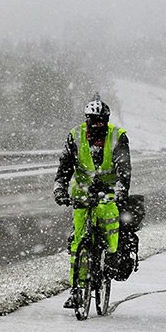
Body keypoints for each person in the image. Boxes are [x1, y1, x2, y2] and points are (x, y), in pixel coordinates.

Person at [54, 94, 132, 309]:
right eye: (91, 120)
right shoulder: (75, 135)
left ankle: (110, 260)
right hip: (82, 193)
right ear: (86, 119)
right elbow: (65, 167)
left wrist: (121, 190)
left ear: (106, 120)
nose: (95, 125)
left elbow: (123, 169)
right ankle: (76, 291)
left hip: (108, 193)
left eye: (100, 121)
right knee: (77, 242)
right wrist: (60, 189)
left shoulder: (117, 137)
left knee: (110, 227)